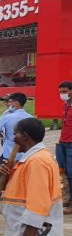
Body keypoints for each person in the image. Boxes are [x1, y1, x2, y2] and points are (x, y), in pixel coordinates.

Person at [0, 93, 32, 213]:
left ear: (16, 103)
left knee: (0, 179)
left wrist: (6, 138)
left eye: (9, 101)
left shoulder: (8, 116)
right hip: (26, 156)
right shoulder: (31, 118)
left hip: (8, 154)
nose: (7, 104)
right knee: (23, 180)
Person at [56, 81, 72, 215]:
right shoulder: (66, 106)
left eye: (65, 91)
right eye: (61, 92)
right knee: (63, 173)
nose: (63, 94)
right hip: (63, 143)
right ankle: (66, 199)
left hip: (71, 144)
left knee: (71, 174)